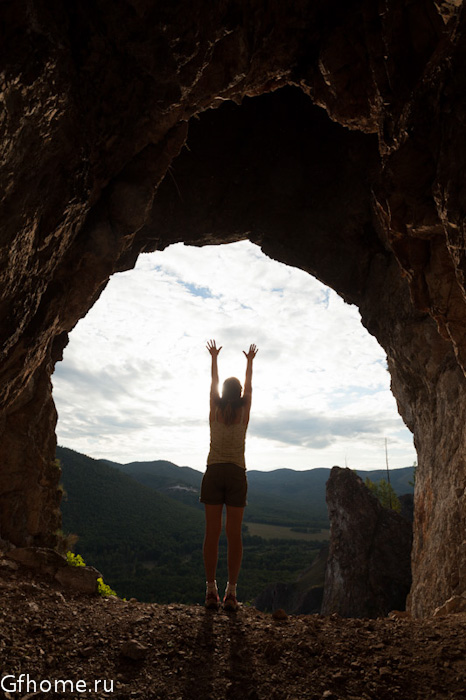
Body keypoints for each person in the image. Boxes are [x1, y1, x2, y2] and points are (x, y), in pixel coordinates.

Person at [200, 339, 258, 611]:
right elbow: (250, 386)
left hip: (213, 472)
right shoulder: (243, 413)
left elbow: (212, 383)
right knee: (234, 535)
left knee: (212, 533)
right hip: (236, 473)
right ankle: (231, 593)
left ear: (224, 392)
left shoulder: (214, 410)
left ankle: (210, 589)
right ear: (241, 393)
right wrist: (249, 362)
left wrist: (214, 359)